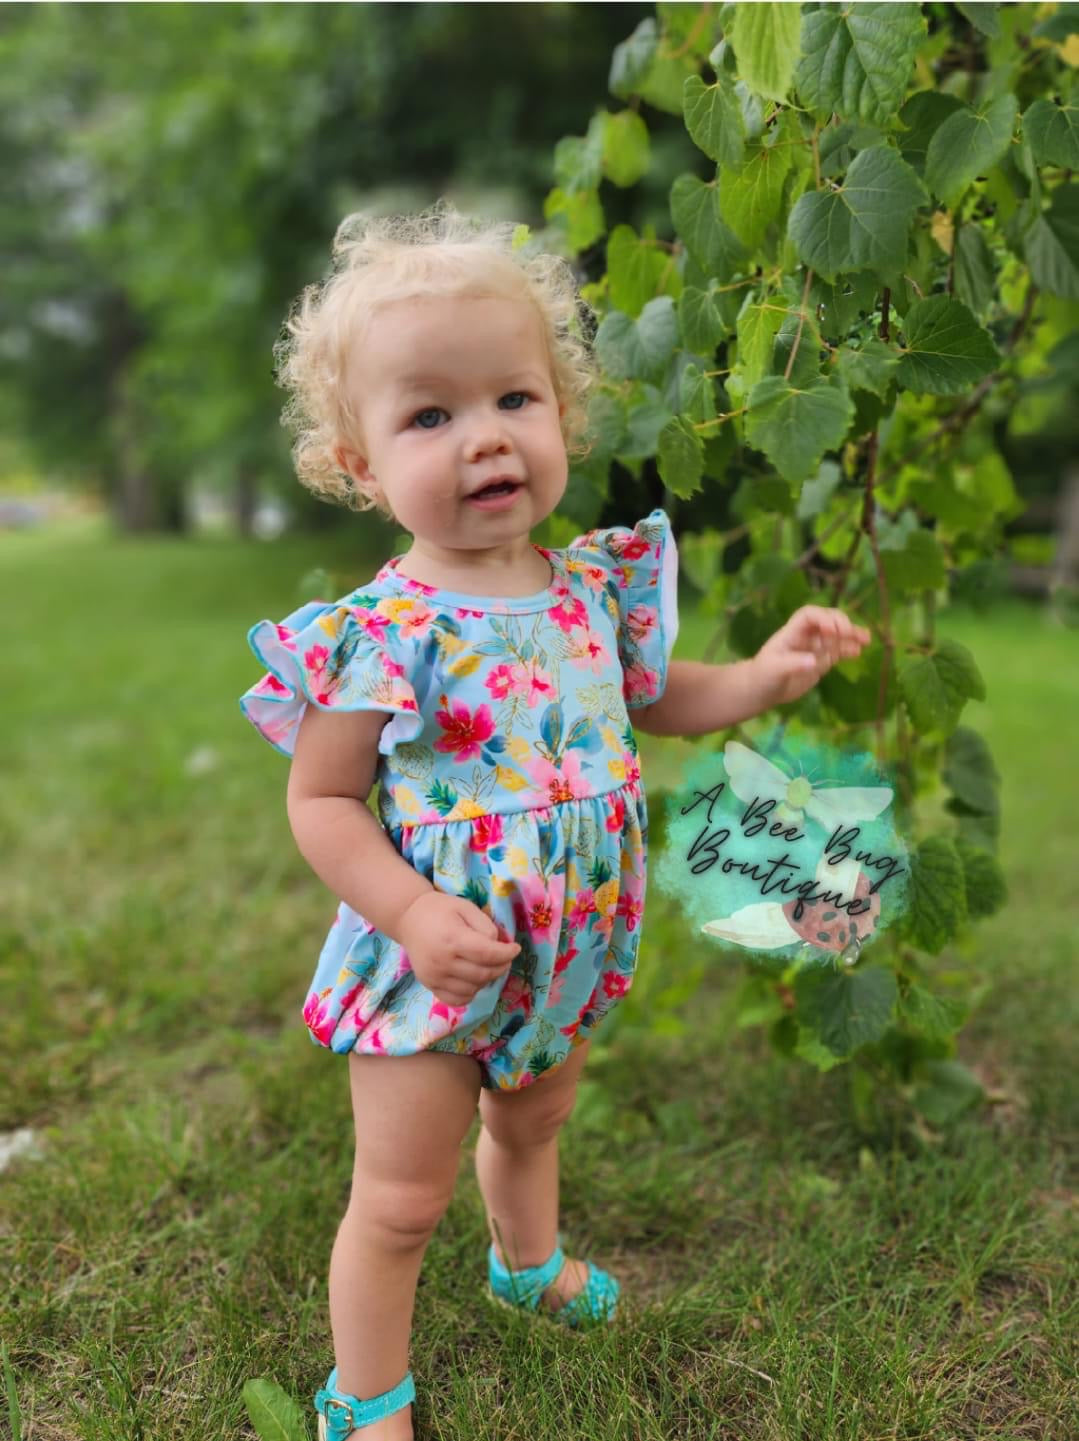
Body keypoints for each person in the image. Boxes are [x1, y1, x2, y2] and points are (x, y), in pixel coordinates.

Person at [238, 205, 871, 1441]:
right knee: (400, 1197)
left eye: (511, 399)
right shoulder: (381, 631)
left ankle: (525, 1263)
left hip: (565, 943)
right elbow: (320, 800)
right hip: (430, 965)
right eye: (429, 415)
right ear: (360, 464)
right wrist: (413, 912)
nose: (483, 438)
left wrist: (762, 677)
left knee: (532, 1120)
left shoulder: (589, 587)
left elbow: (650, 704)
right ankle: (364, 1396)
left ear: (560, 415)